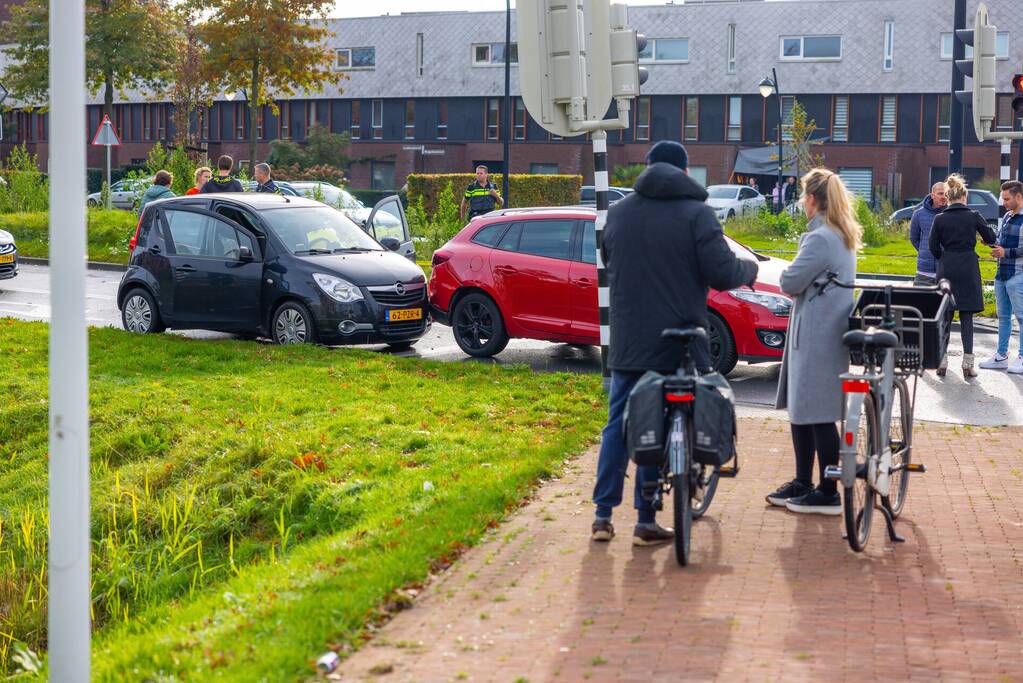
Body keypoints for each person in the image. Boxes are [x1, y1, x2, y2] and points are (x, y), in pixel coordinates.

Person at [591, 140, 758, 545]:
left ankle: (602, 516)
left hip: (629, 341)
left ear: (647, 167)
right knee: (665, 418)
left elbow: (609, 261)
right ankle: (645, 520)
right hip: (679, 341)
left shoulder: (619, 213)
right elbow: (721, 272)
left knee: (620, 423)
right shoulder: (698, 214)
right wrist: (749, 269)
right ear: (684, 171)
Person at [767, 168, 861, 515]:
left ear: (811, 199)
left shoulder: (820, 238)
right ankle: (805, 482)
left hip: (814, 335)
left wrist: (790, 275)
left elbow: (790, 281)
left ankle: (825, 490)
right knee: (808, 409)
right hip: (827, 331)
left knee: (816, 413)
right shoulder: (840, 233)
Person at [929, 174, 996, 378]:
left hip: (947, 268)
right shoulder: (974, 216)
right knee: (967, 316)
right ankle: (968, 363)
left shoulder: (939, 218)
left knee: (946, 316)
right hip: (968, 267)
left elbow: (933, 246)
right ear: (964, 197)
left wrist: (945, 257)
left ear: (948, 198)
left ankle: (942, 360)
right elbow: (991, 237)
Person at [979, 180, 1023, 373]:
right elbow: (1002, 243)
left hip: (1018, 275)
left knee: (1021, 318)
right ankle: (1001, 356)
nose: (1004, 203)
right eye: (1003, 199)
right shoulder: (1006, 216)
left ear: (1018, 197)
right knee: (1003, 317)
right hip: (1001, 274)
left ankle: (1022, 357)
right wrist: (991, 243)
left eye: (1007, 199)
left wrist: (1006, 253)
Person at [909, 182, 947, 286]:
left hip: (946, 269)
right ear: (932, 195)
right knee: (919, 296)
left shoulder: (951, 214)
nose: (943, 197)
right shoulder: (918, 214)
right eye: (940, 193)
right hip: (924, 270)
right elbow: (914, 238)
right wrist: (925, 251)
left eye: (946, 194)